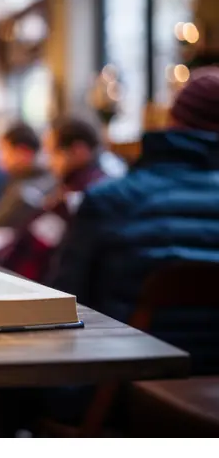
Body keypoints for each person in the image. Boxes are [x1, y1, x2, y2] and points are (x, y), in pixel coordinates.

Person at [53, 67, 219, 375]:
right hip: (208, 394)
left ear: (173, 120)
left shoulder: (110, 202)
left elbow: (60, 307)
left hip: (117, 390)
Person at [0, 117, 107, 282]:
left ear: (79, 151)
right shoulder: (70, 188)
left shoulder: (83, 196)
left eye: (53, 153)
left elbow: (44, 254)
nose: (49, 163)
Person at [0, 122, 54, 228]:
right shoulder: (18, 179)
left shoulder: (27, 190)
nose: (0, 158)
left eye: (3, 150)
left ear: (23, 152)